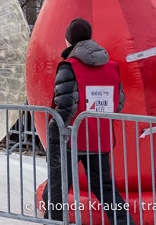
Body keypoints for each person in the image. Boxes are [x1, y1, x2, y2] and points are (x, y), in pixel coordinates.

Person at [42, 17, 133, 225]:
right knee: (104, 187)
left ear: (69, 40)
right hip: (99, 138)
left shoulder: (68, 66)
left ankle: (54, 220)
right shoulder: (111, 67)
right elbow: (117, 101)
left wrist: (56, 133)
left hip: (71, 138)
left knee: (59, 185)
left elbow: (64, 107)